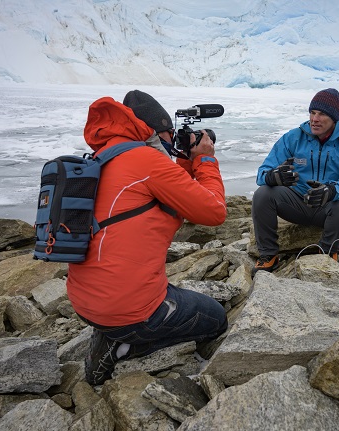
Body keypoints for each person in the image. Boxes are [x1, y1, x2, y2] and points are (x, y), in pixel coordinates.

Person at [66, 96, 228, 386]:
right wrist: (205, 159)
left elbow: (167, 193)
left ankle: (112, 330)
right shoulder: (147, 160)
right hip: (129, 310)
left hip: (84, 302)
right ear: (153, 132)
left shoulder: (105, 157)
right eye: (170, 136)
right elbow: (214, 211)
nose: (173, 142)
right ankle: (123, 346)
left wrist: (183, 162)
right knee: (215, 318)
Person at [251, 88, 339, 274]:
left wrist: (331, 190)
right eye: (312, 113)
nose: (315, 119)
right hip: (296, 203)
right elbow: (261, 173)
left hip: (328, 207)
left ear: (335, 117)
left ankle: (327, 253)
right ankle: (268, 254)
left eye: (321, 114)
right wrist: (274, 177)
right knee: (263, 194)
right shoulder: (293, 137)